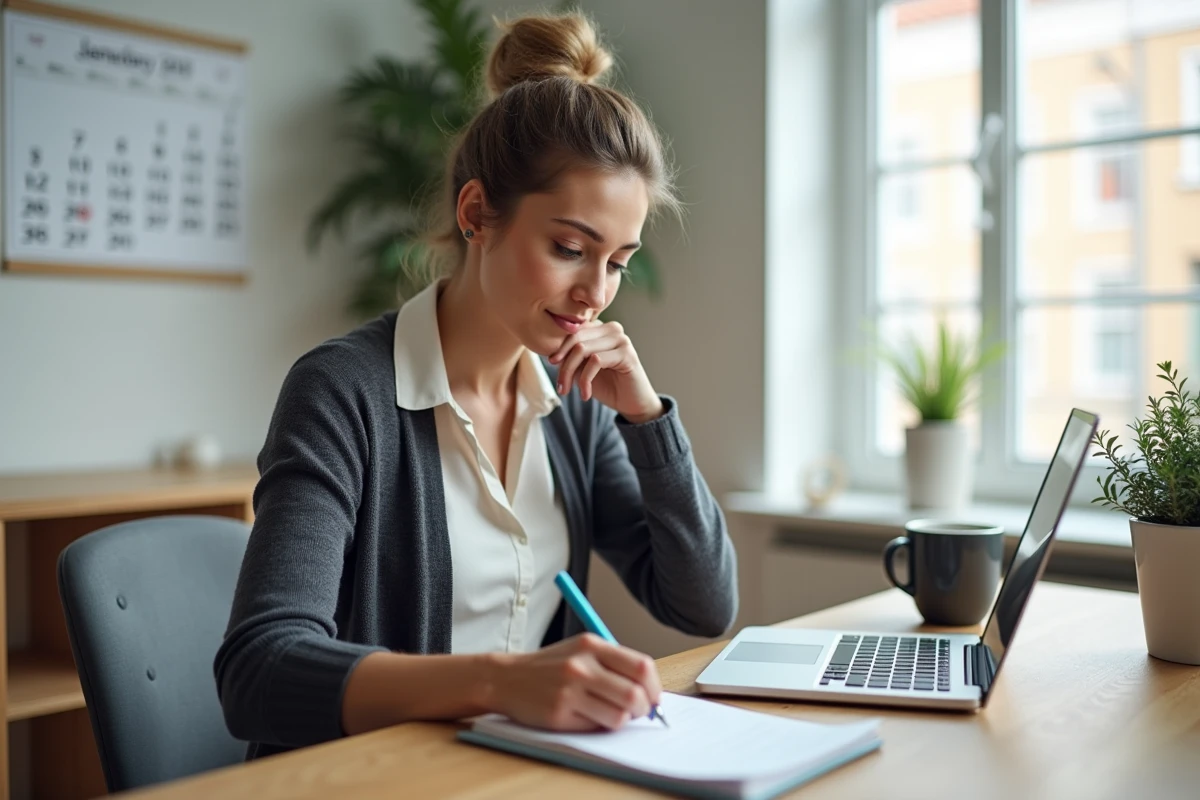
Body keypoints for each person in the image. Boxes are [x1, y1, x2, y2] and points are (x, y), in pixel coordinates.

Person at [214, 11, 737, 761]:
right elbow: (259, 671)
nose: (596, 291)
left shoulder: (575, 408)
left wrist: (649, 420)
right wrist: (501, 682)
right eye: (569, 248)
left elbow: (703, 604)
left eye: (618, 260)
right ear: (476, 215)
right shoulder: (343, 393)